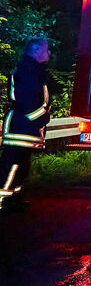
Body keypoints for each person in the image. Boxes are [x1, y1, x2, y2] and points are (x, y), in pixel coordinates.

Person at [0, 38, 51, 215]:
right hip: (21, 126)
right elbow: (28, 101)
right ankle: (3, 201)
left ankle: (13, 199)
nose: (49, 53)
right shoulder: (28, 71)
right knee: (12, 165)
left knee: (21, 165)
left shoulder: (33, 70)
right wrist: (42, 118)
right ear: (36, 51)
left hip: (25, 126)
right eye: (46, 50)